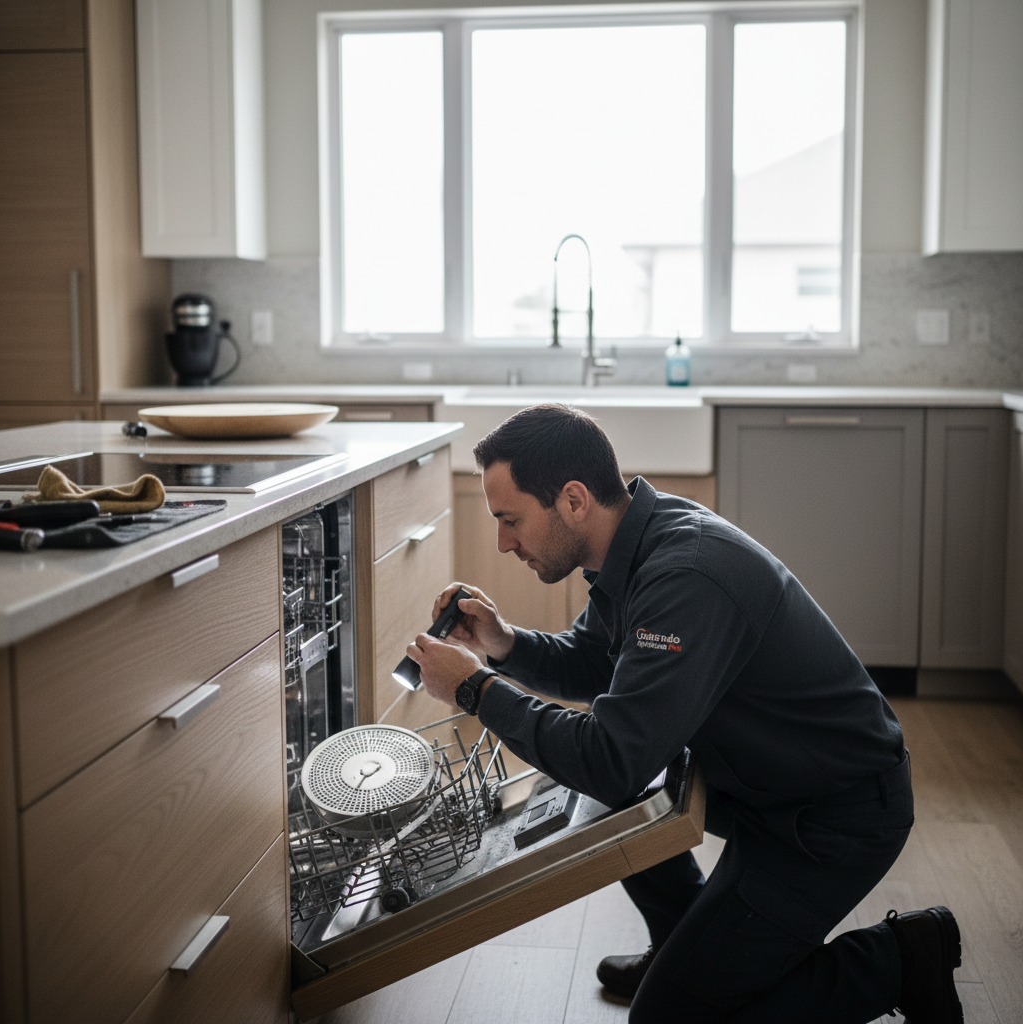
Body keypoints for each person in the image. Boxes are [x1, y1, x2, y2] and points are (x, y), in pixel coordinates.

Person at [405, 403, 963, 1024]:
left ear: (572, 499)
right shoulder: (638, 539)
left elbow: (612, 759)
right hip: (760, 786)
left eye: (510, 520)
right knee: (621, 789)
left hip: (831, 819)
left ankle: (901, 959)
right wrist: (505, 644)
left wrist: (476, 691)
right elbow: (598, 662)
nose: (504, 543)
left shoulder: (684, 574)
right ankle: (683, 942)